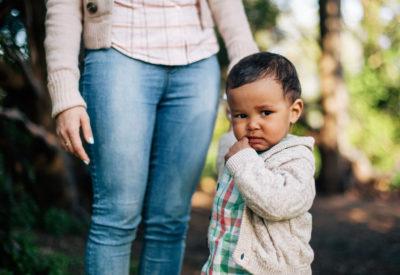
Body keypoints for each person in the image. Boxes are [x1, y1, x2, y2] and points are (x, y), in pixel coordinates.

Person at [44, 0, 258, 274]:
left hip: (198, 63)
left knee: (170, 221)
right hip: (116, 53)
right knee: (116, 216)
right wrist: (65, 93)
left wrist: (248, 75)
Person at [201, 52, 316, 274]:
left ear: (294, 112)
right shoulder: (237, 149)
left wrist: (243, 160)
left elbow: (277, 204)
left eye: (265, 112)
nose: (252, 124)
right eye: (241, 115)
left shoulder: (297, 157)